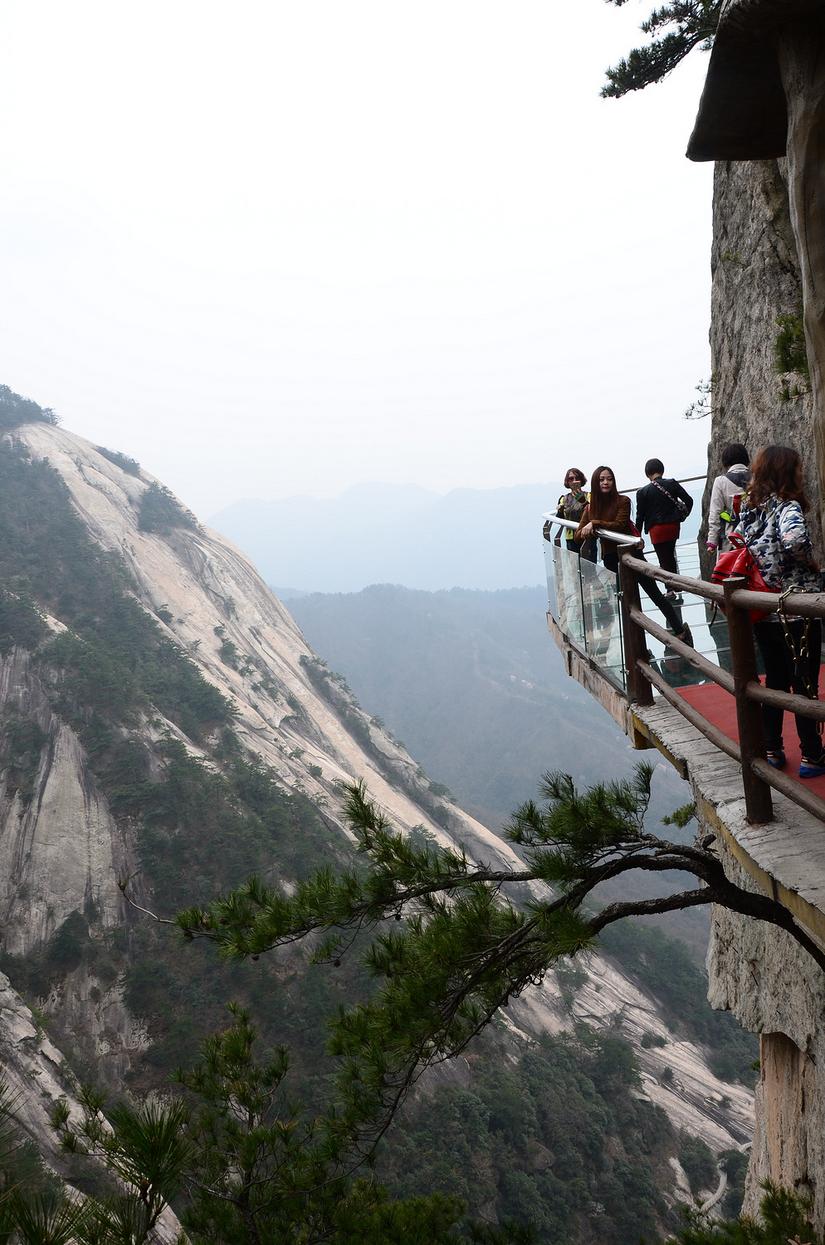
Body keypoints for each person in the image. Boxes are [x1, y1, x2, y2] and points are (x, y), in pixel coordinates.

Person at [737, 444, 825, 777]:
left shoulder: (750, 507)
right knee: (803, 681)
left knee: (774, 679)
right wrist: (809, 563)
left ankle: (771, 748)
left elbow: (739, 542)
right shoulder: (787, 506)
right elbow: (794, 541)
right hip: (796, 606)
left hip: (763, 605)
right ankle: (812, 755)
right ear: (788, 472)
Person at [576, 466, 692, 642]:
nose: (606, 482)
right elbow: (578, 536)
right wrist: (590, 527)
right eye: (601, 479)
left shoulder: (623, 501)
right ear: (595, 482)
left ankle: (679, 629)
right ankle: (637, 643)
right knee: (626, 601)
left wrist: (594, 524)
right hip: (610, 559)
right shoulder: (590, 508)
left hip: (632, 555)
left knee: (653, 592)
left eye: (609, 479)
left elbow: (620, 524)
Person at [634, 459, 693, 597]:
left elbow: (640, 516)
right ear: (662, 470)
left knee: (663, 559)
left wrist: (637, 536)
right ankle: (675, 586)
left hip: (656, 530)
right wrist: (682, 516)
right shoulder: (672, 484)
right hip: (673, 526)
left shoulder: (643, 492)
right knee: (670, 556)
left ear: (647, 474)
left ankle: (670, 589)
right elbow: (689, 500)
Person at [707, 443, 750, 555]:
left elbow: (715, 513)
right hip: (755, 534)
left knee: (731, 569)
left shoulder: (721, 481)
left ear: (726, 461)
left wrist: (712, 541)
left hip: (731, 536)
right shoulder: (757, 477)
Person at [547, 467, 594, 558]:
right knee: (575, 567)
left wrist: (583, 502)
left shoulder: (589, 496)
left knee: (589, 566)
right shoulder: (563, 499)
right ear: (567, 482)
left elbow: (593, 513)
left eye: (577, 478)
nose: (574, 481)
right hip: (571, 538)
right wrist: (560, 510)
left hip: (587, 536)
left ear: (581, 480)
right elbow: (559, 518)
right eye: (571, 479)